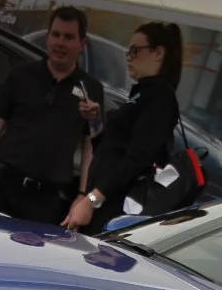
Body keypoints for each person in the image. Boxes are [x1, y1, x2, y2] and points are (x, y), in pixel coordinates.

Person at [0, 6, 103, 224]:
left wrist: (83, 196)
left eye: (68, 37)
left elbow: (91, 146)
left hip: (46, 199)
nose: (60, 43)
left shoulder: (90, 89)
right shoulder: (22, 74)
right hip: (1, 184)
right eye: (55, 34)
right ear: (47, 37)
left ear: (82, 44)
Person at [63, 21, 183, 233]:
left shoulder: (160, 96)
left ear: (158, 53)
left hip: (114, 207)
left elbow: (138, 157)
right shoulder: (141, 93)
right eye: (129, 51)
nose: (129, 57)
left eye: (135, 50)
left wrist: (92, 200)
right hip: (102, 199)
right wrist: (94, 120)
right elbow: (108, 148)